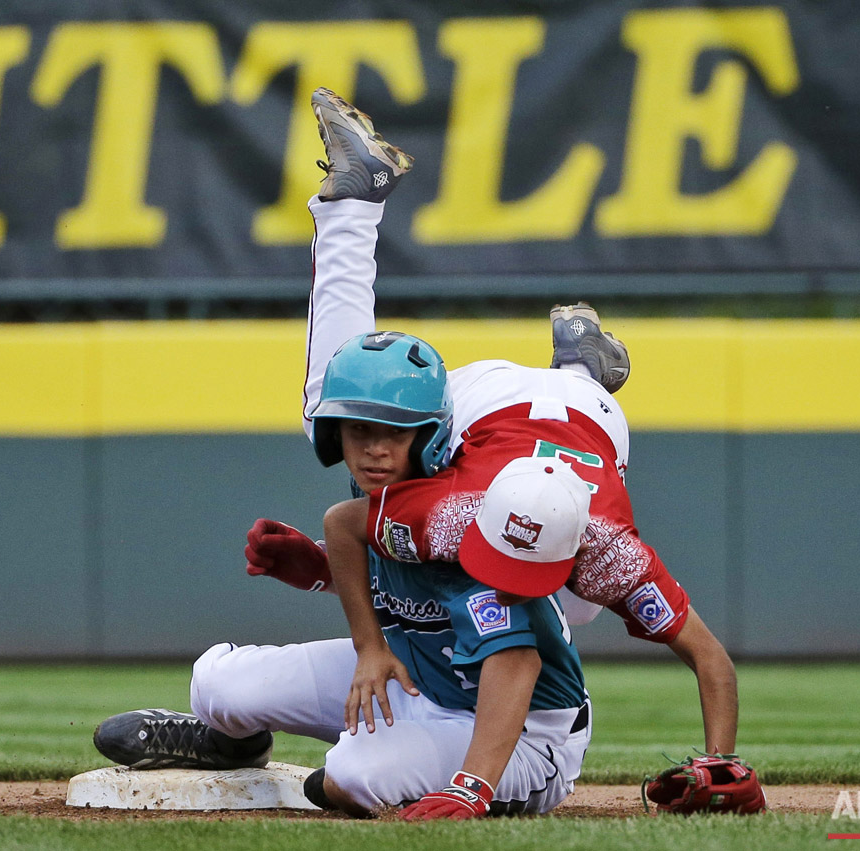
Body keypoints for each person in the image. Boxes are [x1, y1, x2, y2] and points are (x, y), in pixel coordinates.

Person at [92, 89, 599, 821]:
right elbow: (364, 532)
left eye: (393, 431)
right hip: (414, 670)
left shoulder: (479, 514)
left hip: (512, 726)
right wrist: (342, 597)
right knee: (217, 684)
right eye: (358, 431)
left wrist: (472, 786)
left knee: (352, 777)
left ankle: (582, 373)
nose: (373, 445)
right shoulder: (382, 485)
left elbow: (512, 660)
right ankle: (232, 740)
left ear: (432, 433)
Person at [254, 87, 742, 761]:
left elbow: (713, 661)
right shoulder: (454, 508)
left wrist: (721, 763)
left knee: (561, 612)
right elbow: (362, 526)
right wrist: (327, 570)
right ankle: (573, 361)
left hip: (584, 420)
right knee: (337, 410)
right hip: (485, 407)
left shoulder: (608, 561)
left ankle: (579, 364)